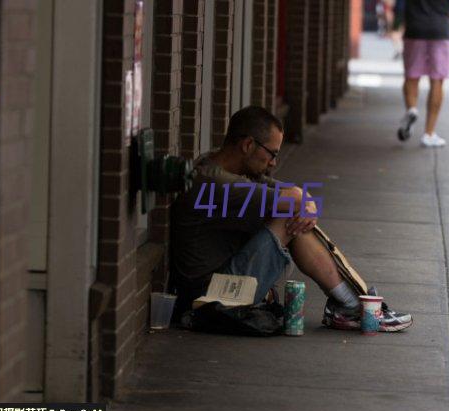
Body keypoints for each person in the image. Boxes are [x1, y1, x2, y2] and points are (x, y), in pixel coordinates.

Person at [171, 106, 412, 332]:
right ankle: (351, 306)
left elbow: (297, 193)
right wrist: (302, 203)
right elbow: (295, 199)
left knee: (293, 213)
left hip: (219, 284)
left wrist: (304, 202)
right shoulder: (214, 185)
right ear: (247, 145)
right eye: (272, 154)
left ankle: (351, 303)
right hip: (207, 298)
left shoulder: (224, 169)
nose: (274, 163)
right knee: (289, 219)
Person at [397, 0, 449, 147]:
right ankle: (428, 134)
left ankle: (411, 109)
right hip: (440, 30)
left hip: (414, 28)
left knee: (411, 76)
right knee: (437, 80)